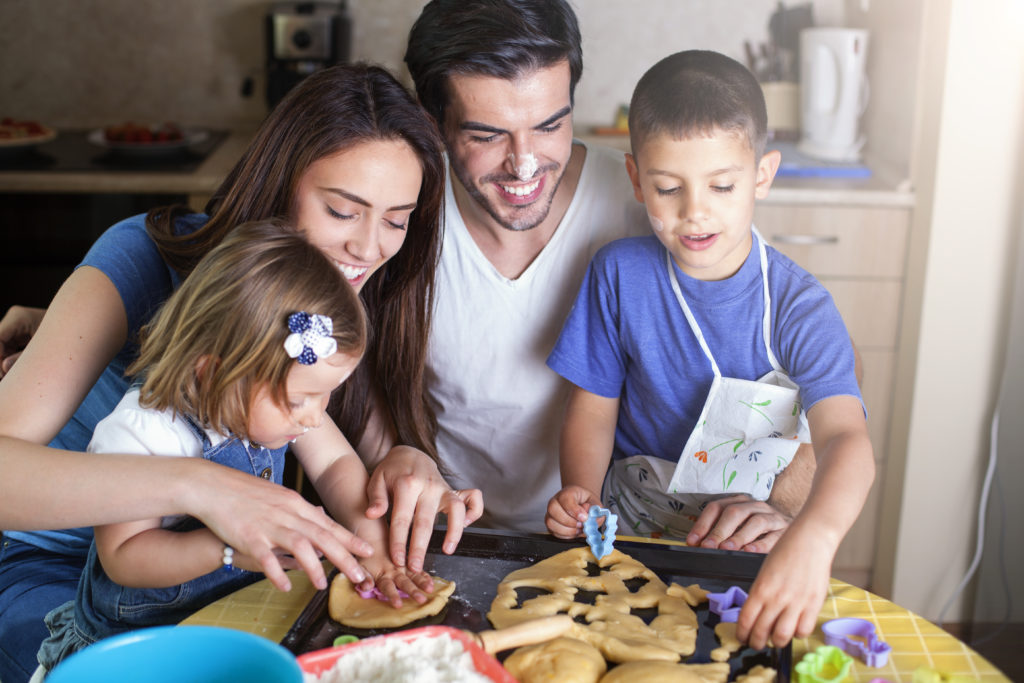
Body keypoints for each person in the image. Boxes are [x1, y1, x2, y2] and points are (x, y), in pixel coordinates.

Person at [0, 63, 480, 683]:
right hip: (59, 582)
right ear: (280, 183)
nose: (369, 248)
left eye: (396, 220)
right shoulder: (144, 257)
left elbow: (351, 464)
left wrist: (405, 474)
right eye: (342, 210)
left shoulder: (333, 310)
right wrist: (203, 487)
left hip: (211, 587)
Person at [398, 0, 815, 538]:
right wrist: (395, 457)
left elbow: (819, 373)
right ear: (432, 122)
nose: (524, 163)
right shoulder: (399, 214)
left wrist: (783, 508)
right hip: (455, 534)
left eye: (550, 125)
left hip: (625, 534)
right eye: (486, 135)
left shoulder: (661, 201)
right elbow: (352, 384)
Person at [544, 50, 875, 648]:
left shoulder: (800, 308)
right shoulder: (618, 274)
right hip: (630, 529)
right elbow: (592, 410)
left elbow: (846, 440)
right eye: (668, 187)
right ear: (636, 178)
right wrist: (582, 497)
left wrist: (812, 535)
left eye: (722, 185)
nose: (694, 211)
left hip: (741, 540)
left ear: (762, 175)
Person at [36, 220, 435, 672]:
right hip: (135, 649)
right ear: (213, 373)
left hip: (229, 626)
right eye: (300, 400)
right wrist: (225, 550)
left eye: (326, 394)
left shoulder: (283, 404)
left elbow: (335, 464)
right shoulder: (143, 432)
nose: (313, 416)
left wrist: (373, 551)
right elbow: (124, 557)